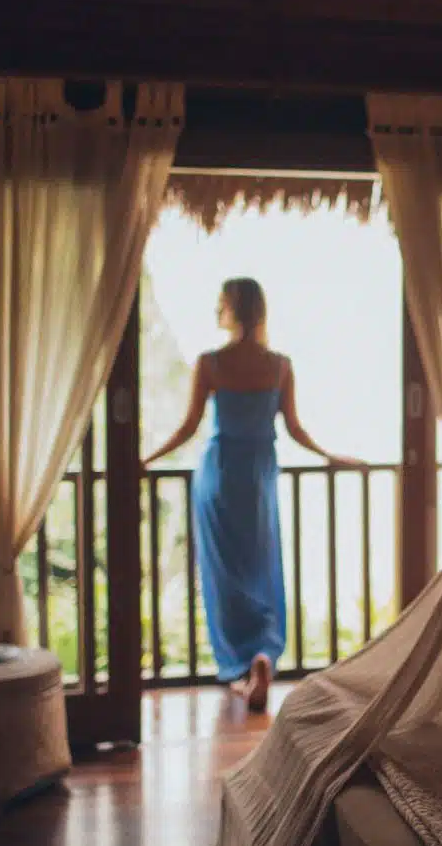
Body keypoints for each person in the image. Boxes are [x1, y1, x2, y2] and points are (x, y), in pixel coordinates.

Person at [141, 277, 364, 712]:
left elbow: (188, 427)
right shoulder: (279, 366)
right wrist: (331, 457)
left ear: (233, 309)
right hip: (259, 477)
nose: (216, 310)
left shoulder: (211, 363)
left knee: (225, 577)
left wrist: (146, 460)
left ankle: (242, 667)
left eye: (221, 303)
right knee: (261, 570)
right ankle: (263, 656)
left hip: (220, 475)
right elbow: (294, 429)